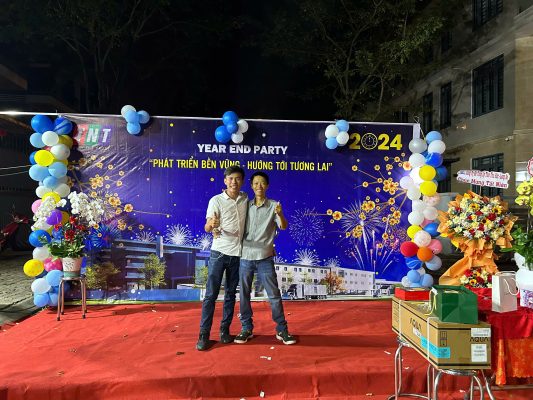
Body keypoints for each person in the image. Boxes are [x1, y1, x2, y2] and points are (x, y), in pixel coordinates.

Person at [234, 171, 296, 345]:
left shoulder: (274, 205)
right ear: (251, 186)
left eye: (262, 183)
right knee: (244, 294)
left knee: (274, 295)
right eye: (255, 183)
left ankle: (282, 329)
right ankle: (246, 328)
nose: (259, 186)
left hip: (265, 256)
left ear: (267, 186)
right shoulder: (245, 205)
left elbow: (283, 226)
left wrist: (280, 214)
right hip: (245, 255)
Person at [196, 165, 248, 351]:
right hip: (219, 253)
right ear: (225, 181)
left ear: (242, 181)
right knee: (211, 295)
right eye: (230, 178)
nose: (234, 182)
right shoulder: (216, 200)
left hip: (238, 255)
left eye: (238, 178)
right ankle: (203, 335)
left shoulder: (245, 199)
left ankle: (224, 330)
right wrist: (212, 224)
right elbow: (207, 227)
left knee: (230, 295)